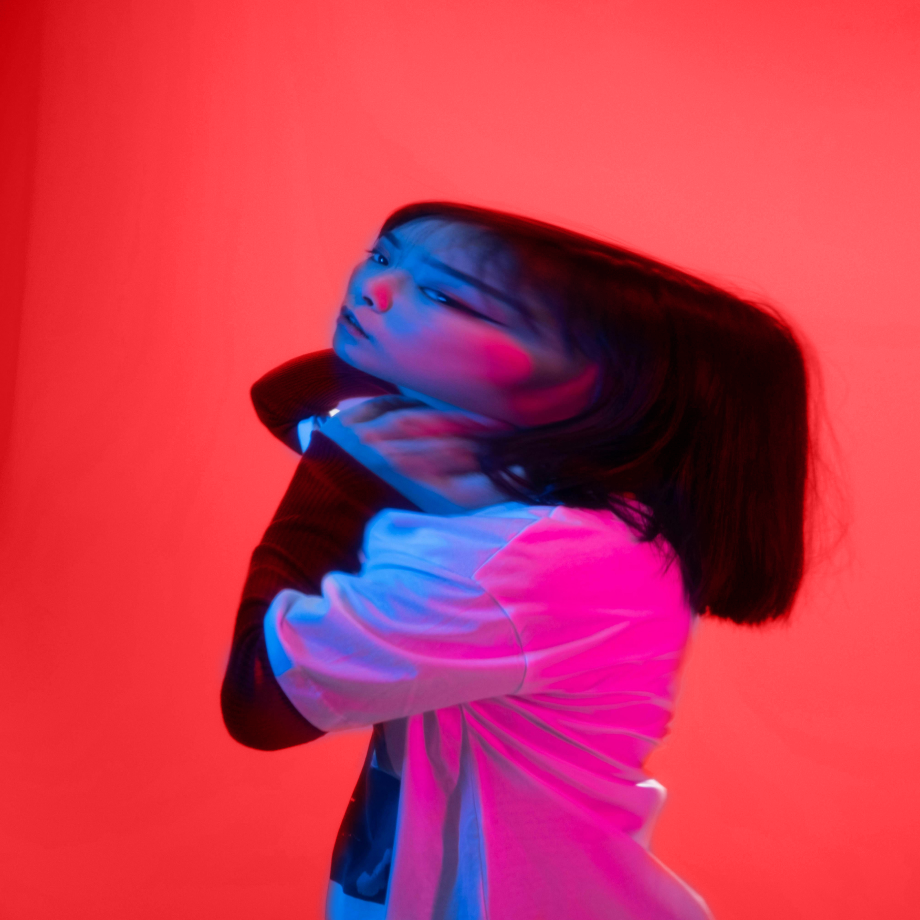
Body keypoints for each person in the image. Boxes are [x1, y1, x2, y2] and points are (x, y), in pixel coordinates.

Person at [221, 202, 815, 919]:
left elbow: (262, 701)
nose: (371, 288)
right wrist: (436, 395)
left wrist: (341, 461)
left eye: (445, 296)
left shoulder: (533, 557)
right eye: (383, 257)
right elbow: (285, 397)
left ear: (587, 385)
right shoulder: (554, 510)